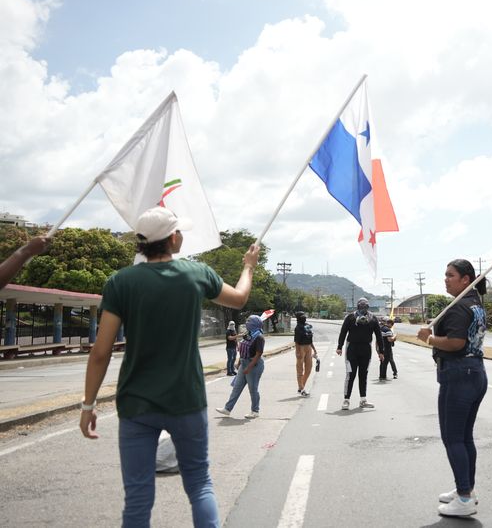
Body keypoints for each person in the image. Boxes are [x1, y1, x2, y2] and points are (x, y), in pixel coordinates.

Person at [79, 206, 259, 527]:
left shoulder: (120, 282)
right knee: (199, 484)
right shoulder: (196, 273)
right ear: (173, 238)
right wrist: (248, 266)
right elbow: (240, 298)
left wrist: (88, 405)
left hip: (136, 403)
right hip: (186, 400)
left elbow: (100, 352)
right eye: (180, 232)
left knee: (137, 498)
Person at [417, 259, 488, 518]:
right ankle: (465, 489)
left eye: (451, 275)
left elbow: (456, 342)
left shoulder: (459, 307)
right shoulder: (475, 303)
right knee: (465, 437)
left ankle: (465, 498)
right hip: (475, 372)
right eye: (445, 274)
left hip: (459, 374)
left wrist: (430, 338)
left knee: (453, 438)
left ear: (466, 279)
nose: (446, 279)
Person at [337, 297, 384, 410]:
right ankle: (346, 400)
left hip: (366, 349)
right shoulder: (350, 317)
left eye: (365, 306)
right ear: (357, 306)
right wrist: (340, 346)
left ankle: (363, 400)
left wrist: (381, 351)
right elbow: (343, 332)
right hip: (351, 349)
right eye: (361, 305)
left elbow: (378, 335)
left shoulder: (373, 318)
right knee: (350, 374)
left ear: (368, 307)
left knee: (363, 375)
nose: (363, 307)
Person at [217, 314, 266, 419]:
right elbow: (243, 349)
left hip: (254, 365)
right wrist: (240, 363)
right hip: (244, 363)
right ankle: (227, 409)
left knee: (253, 389)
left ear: (255, 324)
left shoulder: (259, 337)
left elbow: (258, 354)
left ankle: (255, 410)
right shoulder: (248, 334)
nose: (247, 323)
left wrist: (249, 368)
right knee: (236, 387)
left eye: (249, 321)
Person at [294, 311, 317, 396]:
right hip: (301, 348)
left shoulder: (307, 326)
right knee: (300, 369)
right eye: (302, 316)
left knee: (309, 368)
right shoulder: (297, 328)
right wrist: (297, 352)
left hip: (308, 347)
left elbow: (310, 338)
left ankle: (301, 386)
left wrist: (314, 349)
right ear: (298, 318)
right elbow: (296, 341)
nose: (304, 317)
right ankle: (302, 388)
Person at [378, 316, 398, 380]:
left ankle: (382, 375)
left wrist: (377, 350)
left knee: (382, 362)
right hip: (387, 348)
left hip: (381, 348)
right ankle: (394, 373)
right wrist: (395, 336)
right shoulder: (387, 330)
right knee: (389, 361)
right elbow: (390, 340)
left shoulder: (381, 329)